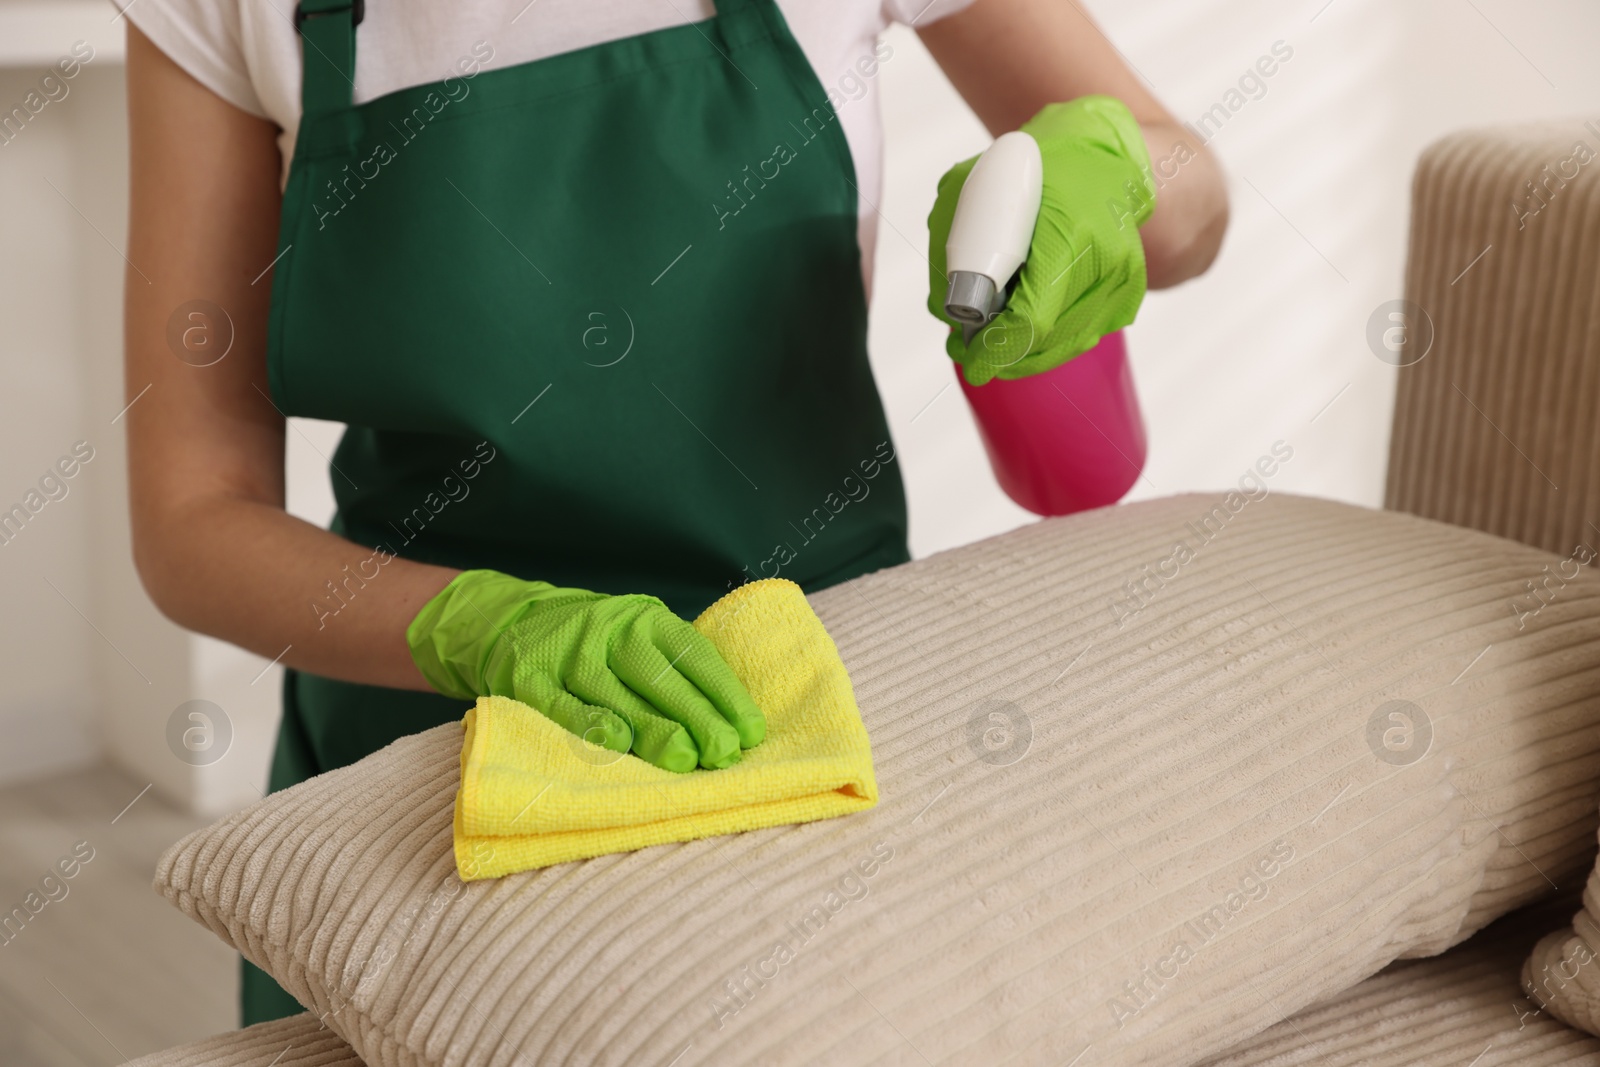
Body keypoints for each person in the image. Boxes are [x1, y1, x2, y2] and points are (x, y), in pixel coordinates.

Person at [122, 0, 1227, 1025]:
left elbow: (1190, 209)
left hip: (801, 720)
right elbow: (191, 520)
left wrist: (1118, 163)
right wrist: (484, 628)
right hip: (420, 748)